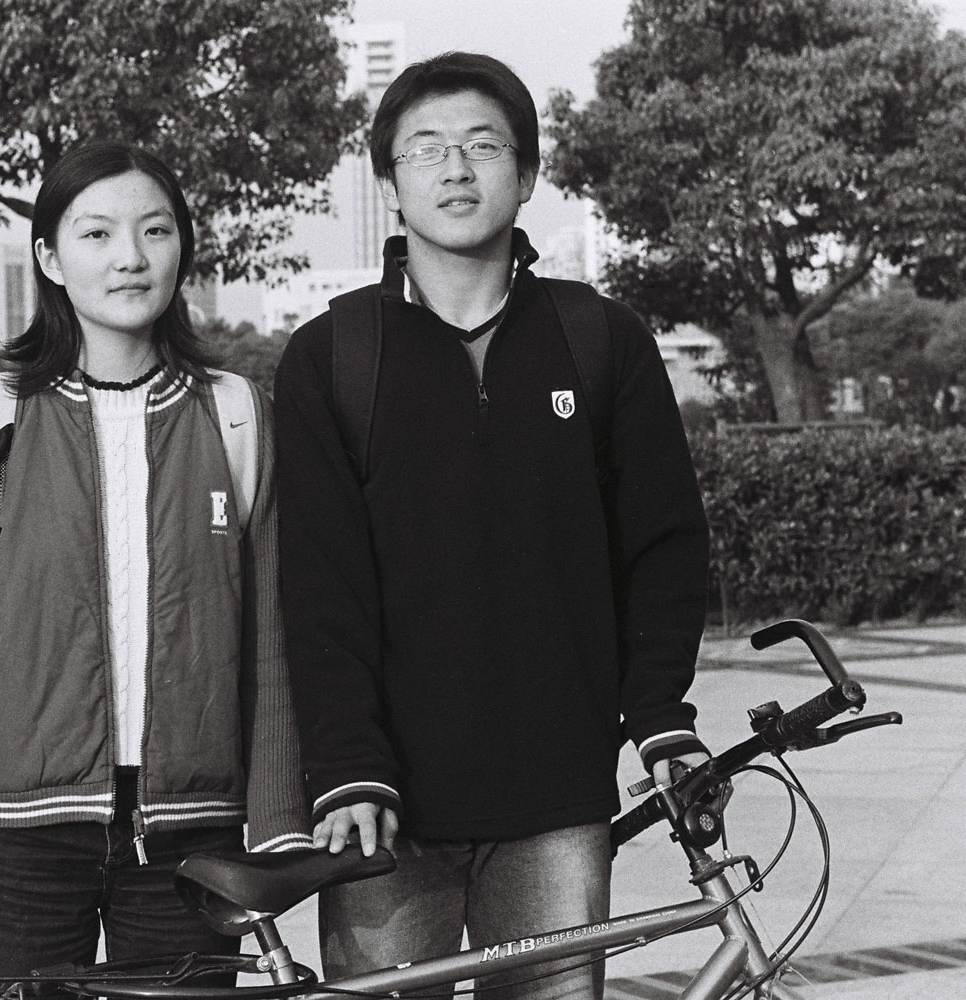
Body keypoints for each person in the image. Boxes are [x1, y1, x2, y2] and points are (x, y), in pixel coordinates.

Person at [272, 53, 712, 999]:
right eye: (424, 150)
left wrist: (661, 718)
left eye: (483, 146)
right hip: (382, 808)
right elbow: (316, 583)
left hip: (557, 800)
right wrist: (347, 766)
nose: (456, 170)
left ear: (528, 175)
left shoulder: (603, 340)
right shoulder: (332, 357)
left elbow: (663, 550)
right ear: (390, 184)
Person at [0, 141, 311, 978]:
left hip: (194, 833)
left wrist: (277, 820)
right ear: (50, 257)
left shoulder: (235, 414)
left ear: (182, 250)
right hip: (21, 831)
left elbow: (271, 633)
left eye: (155, 231)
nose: (130, 257)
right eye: (96, 235)